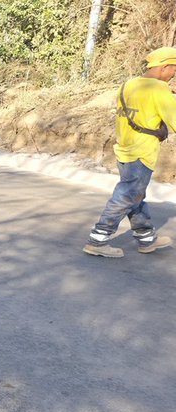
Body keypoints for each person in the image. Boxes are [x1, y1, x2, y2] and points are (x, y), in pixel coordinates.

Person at [84, 47, 176, 257]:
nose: (173, 75)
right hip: (142, 152)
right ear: (164, 67)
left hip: (124, 150)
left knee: (136, 195)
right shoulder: (159, 89)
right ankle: (97, 240)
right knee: (127, 196)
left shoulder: (128, 84)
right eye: (174, 70)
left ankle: (146, 239)